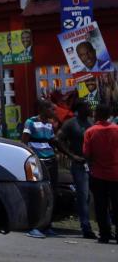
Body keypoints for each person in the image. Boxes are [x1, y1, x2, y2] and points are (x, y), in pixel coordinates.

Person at [22, 98, 83, 238]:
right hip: (35, 162)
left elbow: (54, 142)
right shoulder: (30, 122)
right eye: (51, 109)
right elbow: (24, 143)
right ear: (43, 109)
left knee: (51, 193)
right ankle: (33, 227)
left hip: (50, 160)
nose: (54, 111)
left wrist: (72, 156)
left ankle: (47, 225)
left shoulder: (49, 125)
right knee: (36, 193)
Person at [58, 101, 96, 239]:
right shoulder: (71, 124)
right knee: (83, 196)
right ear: (79, 109)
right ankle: (86, 226)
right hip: (79, 164)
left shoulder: (91, 122)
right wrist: (72, 155)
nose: (89, 109)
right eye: (86, 107)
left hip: (94, 164)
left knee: (98, 195)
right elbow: (58, 139)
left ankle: (105, 225)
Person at [84, 103, 118, 244]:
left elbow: (86, 154)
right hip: (116, 174)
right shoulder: (116, 129)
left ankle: (104, 234)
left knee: (100, 205)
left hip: (98, 174)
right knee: (117, 205)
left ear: (96, 114)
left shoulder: (90, 132)